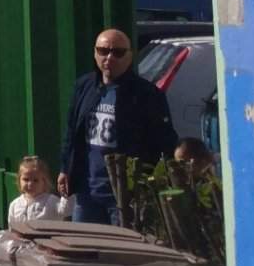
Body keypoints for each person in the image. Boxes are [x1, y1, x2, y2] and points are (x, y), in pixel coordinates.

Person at [58, 29, 172, 226]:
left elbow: (163, 140)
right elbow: (72, 130)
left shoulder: (146, 94)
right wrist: (65, 168)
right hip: (87, 190)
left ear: (130, 56)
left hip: (123, 193)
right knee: (85, 242)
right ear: (95, 53)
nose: (109, 58)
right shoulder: (84, 86)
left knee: (121, 243)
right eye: (103, 51)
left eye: (118, 52)